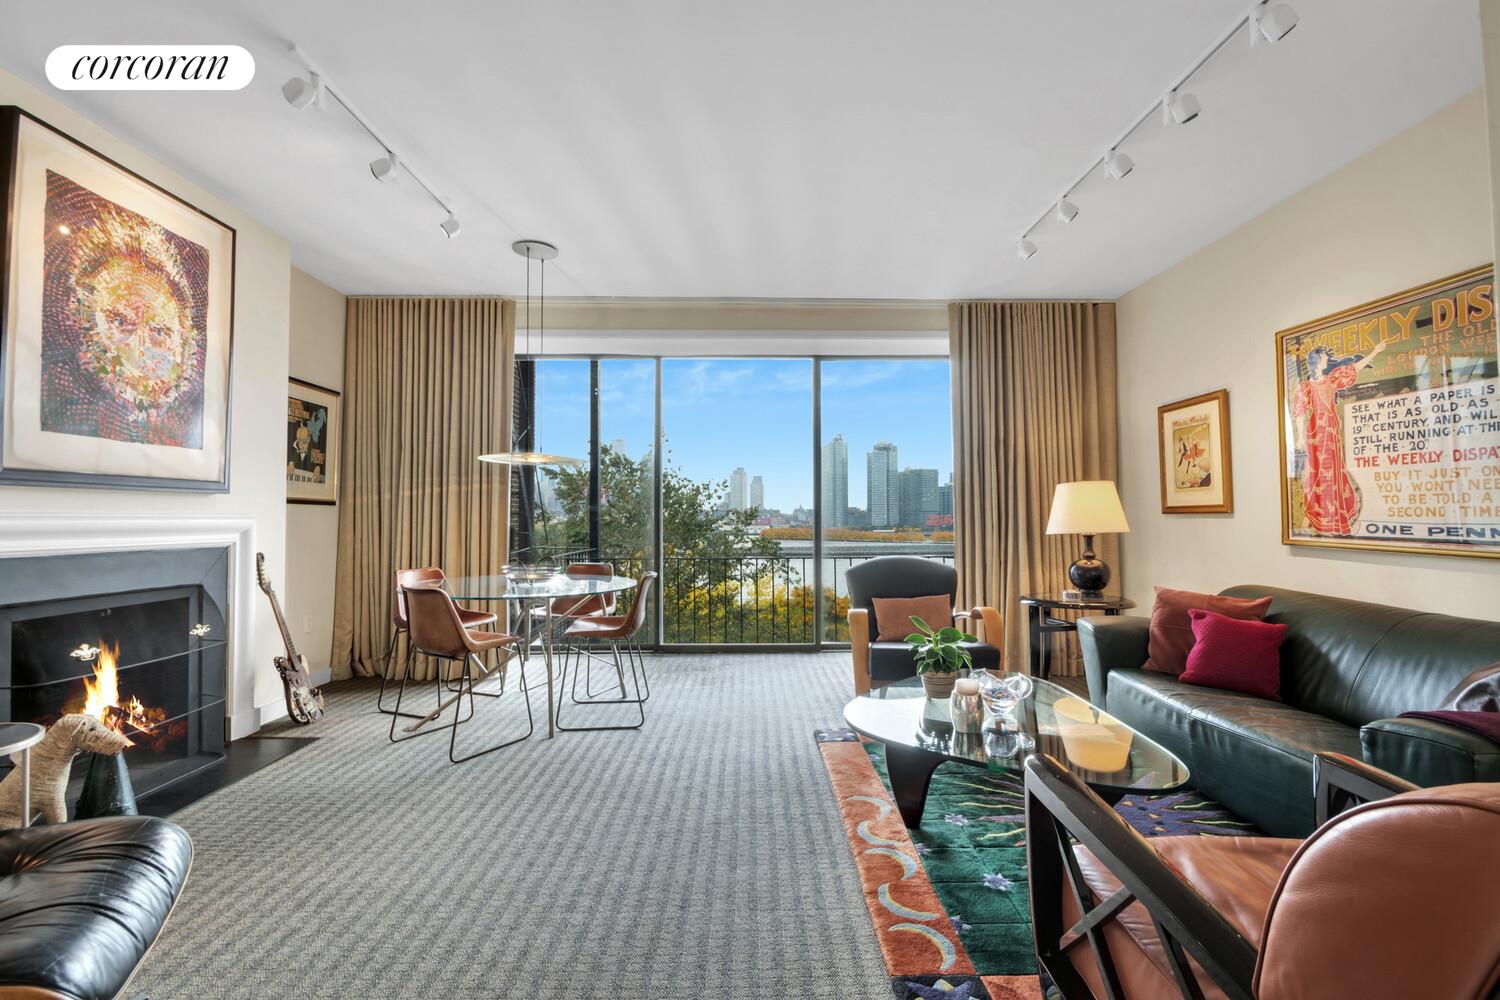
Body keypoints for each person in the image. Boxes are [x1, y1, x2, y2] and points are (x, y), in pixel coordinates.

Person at [1291, 339, 1387, 535]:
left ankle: (1335, 516)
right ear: (1317, 362)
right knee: (1318, 474)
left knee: (1335, 472)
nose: (1327, 360)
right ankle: (1315, 516)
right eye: (1324, 358)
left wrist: (1375, 352)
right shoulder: (1306, 387)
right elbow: (1300, 412)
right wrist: (1299, 437)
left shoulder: (1331, 380)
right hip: (1317, 433)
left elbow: (1354, 368)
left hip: (1332, 431)